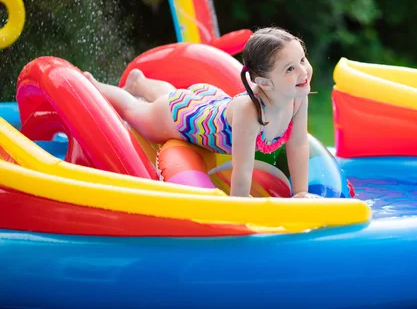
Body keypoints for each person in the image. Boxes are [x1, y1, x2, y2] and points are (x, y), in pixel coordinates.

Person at [85, 27, 320, 199]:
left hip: (210, 103)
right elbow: (243, 167)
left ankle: (141, 83)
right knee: (135, 111)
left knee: (172, 98)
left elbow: (298, 144)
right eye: (290, 68)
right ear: (264, 83)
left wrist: (301, 193)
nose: (303, 71)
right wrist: (240, 203)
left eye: (302, 59)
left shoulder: (297, 97)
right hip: (185, 118)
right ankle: (93, 85)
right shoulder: (251, 111)